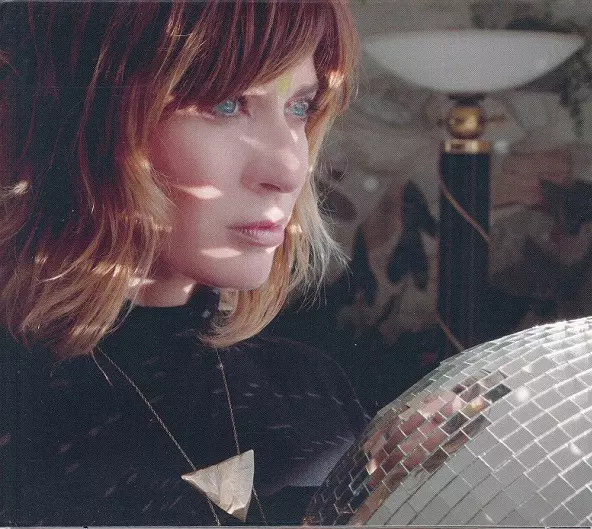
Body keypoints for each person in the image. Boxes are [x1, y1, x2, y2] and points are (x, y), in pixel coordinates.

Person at [0, 1, 370, 525]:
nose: (290, 168)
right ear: (87, 119)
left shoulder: (309, 388)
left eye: (299, 107)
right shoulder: (21, 420)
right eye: (225, 104)